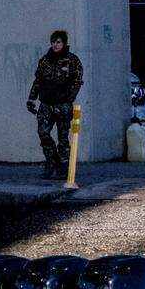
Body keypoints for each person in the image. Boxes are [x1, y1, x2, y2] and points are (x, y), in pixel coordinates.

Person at [27, 30, 84, 179]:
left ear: (64, 43)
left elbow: (78, 80)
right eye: (53, 42)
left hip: (62, 104)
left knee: (63, 137)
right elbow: (38, 81)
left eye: (58, 42)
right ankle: (52, 162)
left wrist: (69, 99)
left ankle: (64, 168)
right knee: (43, 132)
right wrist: (31, 98)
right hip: (46, 104)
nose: (55, 45)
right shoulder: (45, 60)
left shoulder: (72, 60)